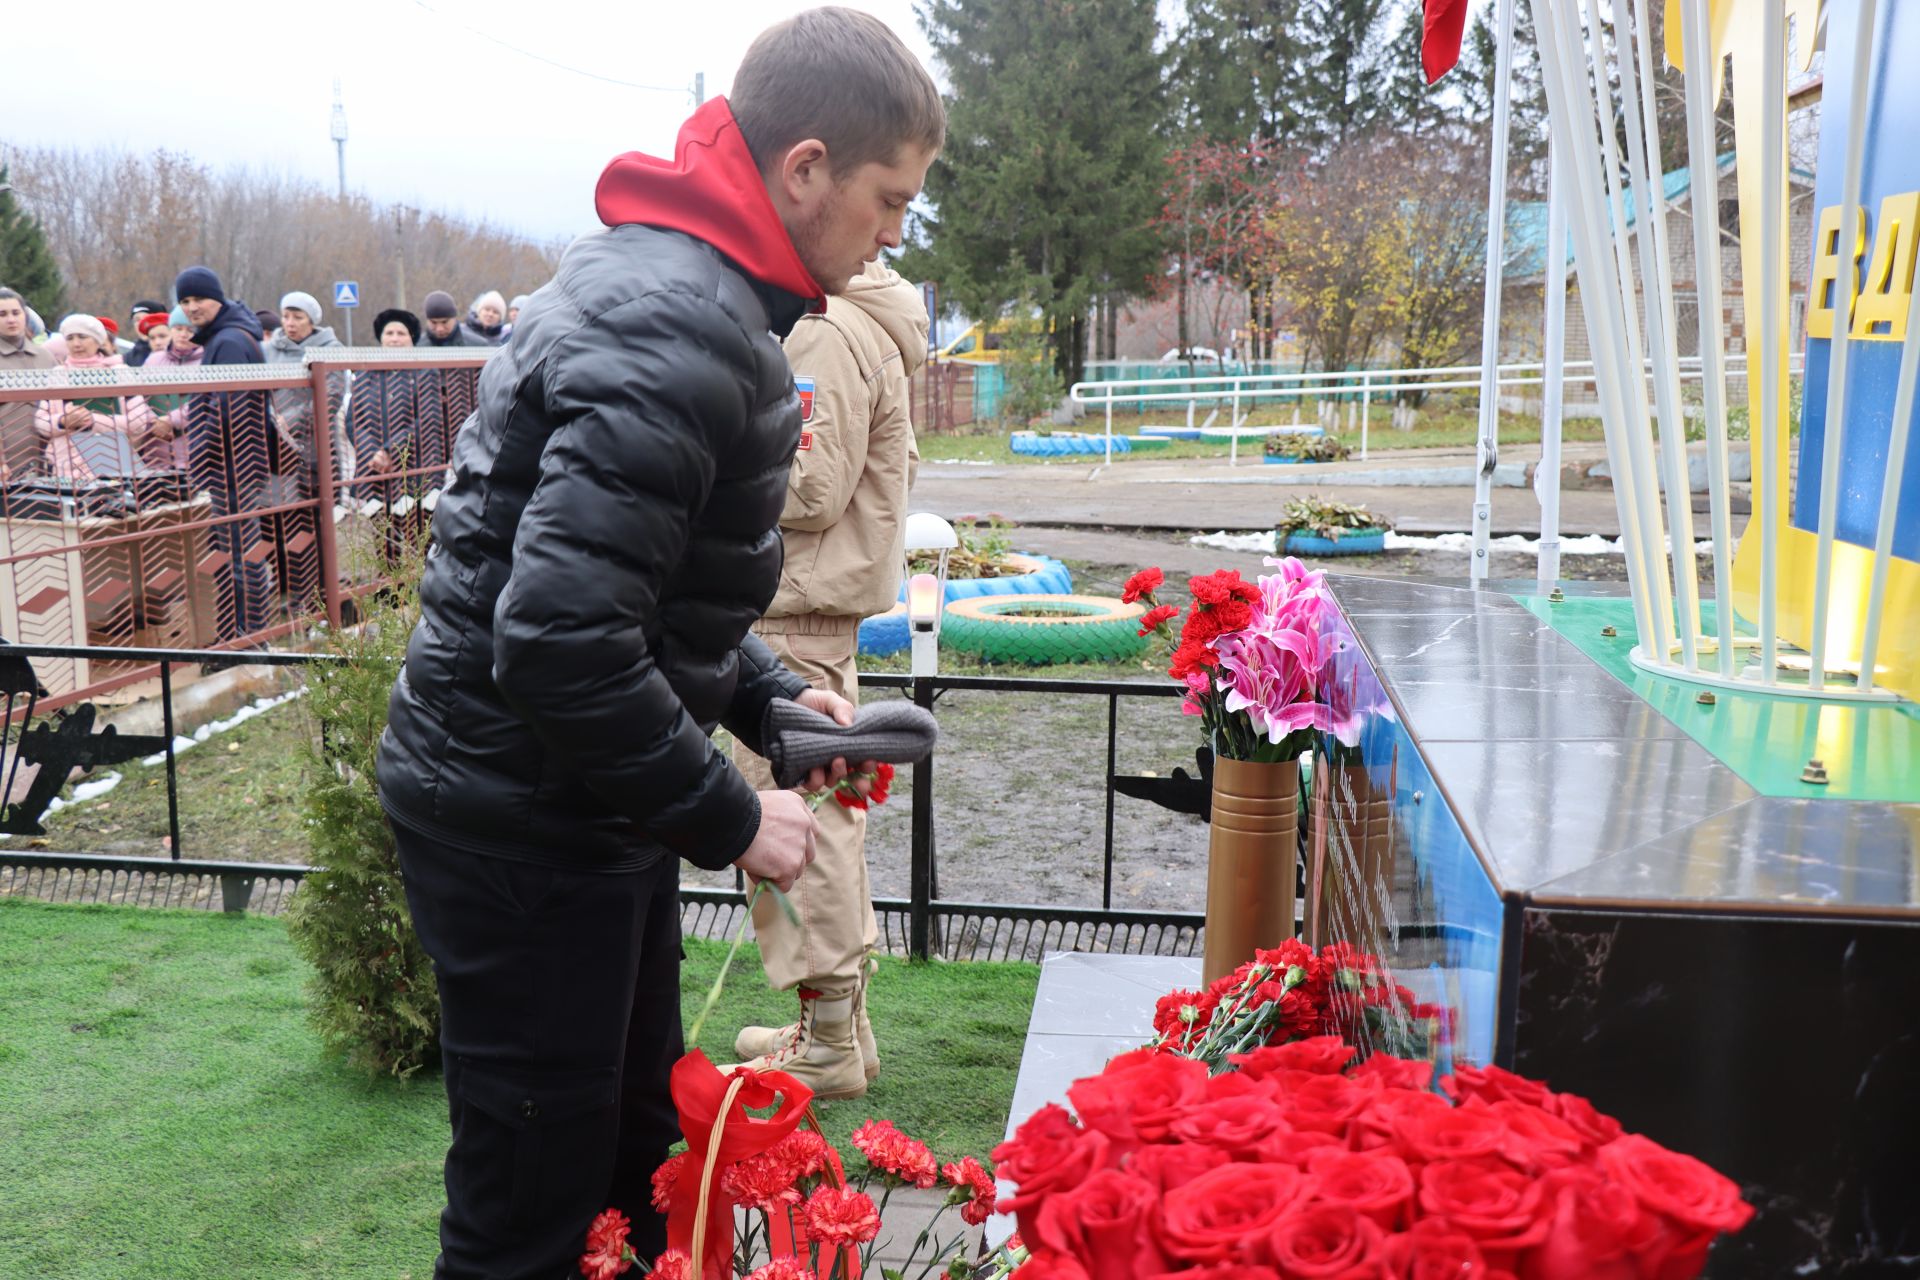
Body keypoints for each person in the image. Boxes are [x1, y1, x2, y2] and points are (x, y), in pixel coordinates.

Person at [375, 9, 943, 1276]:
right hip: (518, 821)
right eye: (887, 197)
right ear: (804, 169)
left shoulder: (681, 279)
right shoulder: (680, 321)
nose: (897, 230)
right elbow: (562, 642)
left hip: (571, 805)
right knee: (533, 1204)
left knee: (631, 1157)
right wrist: (734, 819)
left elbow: (641, 592)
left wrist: (768, 701)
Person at [726, 258, 928, 1099]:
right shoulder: (850, 322)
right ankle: (842, 1029)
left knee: (799, 827)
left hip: (791, 613)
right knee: (826, 822)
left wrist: (708, 452)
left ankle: (830, 1039)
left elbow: (808, 484)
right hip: (805, 611)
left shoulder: (824, 328)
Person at [176, 264, 274, 638]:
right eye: (185, 301)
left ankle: (246, 636)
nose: (192, 307)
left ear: (216, 298)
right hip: (237, 463)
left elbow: (228, 411)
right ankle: (244, 632)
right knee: (239, 551)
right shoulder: (225, 337)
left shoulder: (229, 341)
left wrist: (200, 456)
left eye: (199, 298)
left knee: (238, 555)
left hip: (233, 464)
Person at [262, 291, 344, 609]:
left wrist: (290, 420)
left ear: (312, 321)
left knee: (317, 525)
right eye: (286, 316)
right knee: (289, 525)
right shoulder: (270, 350)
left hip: (315, 452)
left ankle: (324, 594)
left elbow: (331, 396)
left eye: (298, 317)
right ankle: (298, 592)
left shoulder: (329, 350)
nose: (291, 323)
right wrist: (272, 422)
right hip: (279, 454)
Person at [35, 314, 158, 481]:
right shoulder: (58, 375)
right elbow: (41, 422)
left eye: (83, 337)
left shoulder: (120, 372)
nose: (76, 344)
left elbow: (138, 423)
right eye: (70, 338)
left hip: (110, 461)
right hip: (65, 465)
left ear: (98, 340)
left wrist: (93, 420)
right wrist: (63, 421)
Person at [1, 287, 58, 476]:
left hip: (48, 460)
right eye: (2, 314)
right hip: (9, 462)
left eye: (16, 313)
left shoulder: (45, 357)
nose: (11, 319)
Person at [138, 307, 200, 469]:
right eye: (178, 329)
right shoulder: (153, 360)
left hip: (193, 450)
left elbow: (204, 399)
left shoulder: (206, 360)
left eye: (190, 330)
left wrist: (172, 420)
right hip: (156, 451)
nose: (183, 334)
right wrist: (154, 422)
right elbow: (138, 397)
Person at [418, 291, 484, 349]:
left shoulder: (478, 346)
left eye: (444, 322)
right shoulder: (417, 347)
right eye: (434, 323)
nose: (440, 329)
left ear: (454, 319)